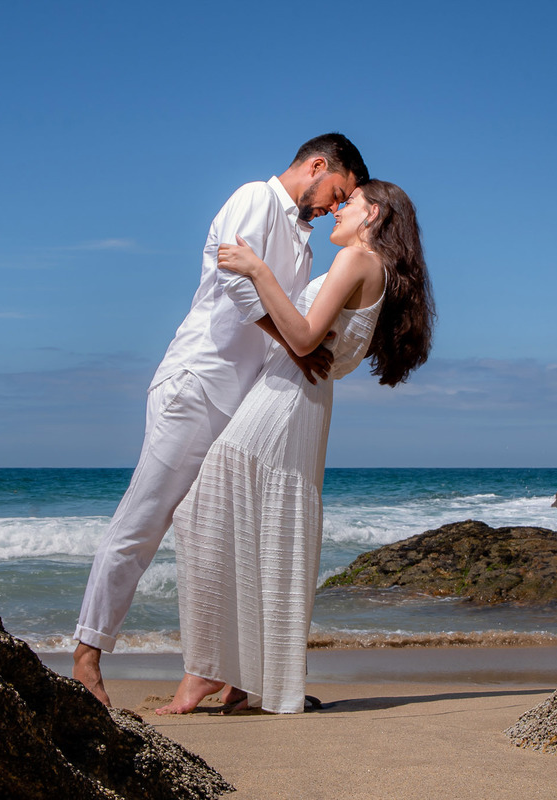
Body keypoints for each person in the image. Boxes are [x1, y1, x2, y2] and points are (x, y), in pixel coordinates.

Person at [73, 134, 369, 705]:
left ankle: (233, 677)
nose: (336, 205)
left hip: (242, 402)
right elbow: (236, 282)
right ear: (316, 165)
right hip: (197, 385)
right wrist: (298, 344)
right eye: (339, 190)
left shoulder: (305, 244)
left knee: (226, 533)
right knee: (144, 520)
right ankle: (87, 655)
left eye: (345, 200)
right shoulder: (254, 198)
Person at [157, 180, 434, 714]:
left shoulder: (359, 259)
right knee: (254, 527)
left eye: (347, 204)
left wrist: (257, 268)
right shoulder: (367, 265)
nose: (336, 212)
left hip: (285, 401)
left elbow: (305, 339)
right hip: (296, 398)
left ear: (372, 213)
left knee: (204, 512)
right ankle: (241, 679)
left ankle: (207, 673)